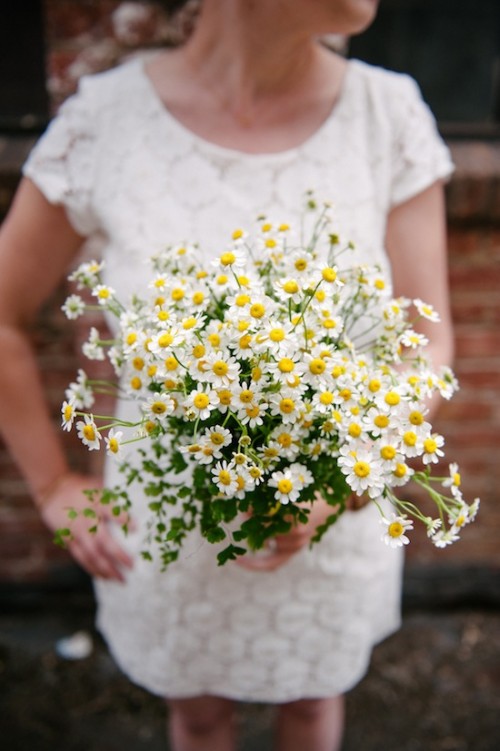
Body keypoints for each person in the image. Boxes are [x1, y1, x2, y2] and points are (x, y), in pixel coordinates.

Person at [0, 1, 454, 749]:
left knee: (312, 705)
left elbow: (426, 347)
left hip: (331, 517)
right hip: (170, 527)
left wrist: (337, 481)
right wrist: (52, 486)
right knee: (199, 715)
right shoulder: (104, 123)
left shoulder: (387, 116)